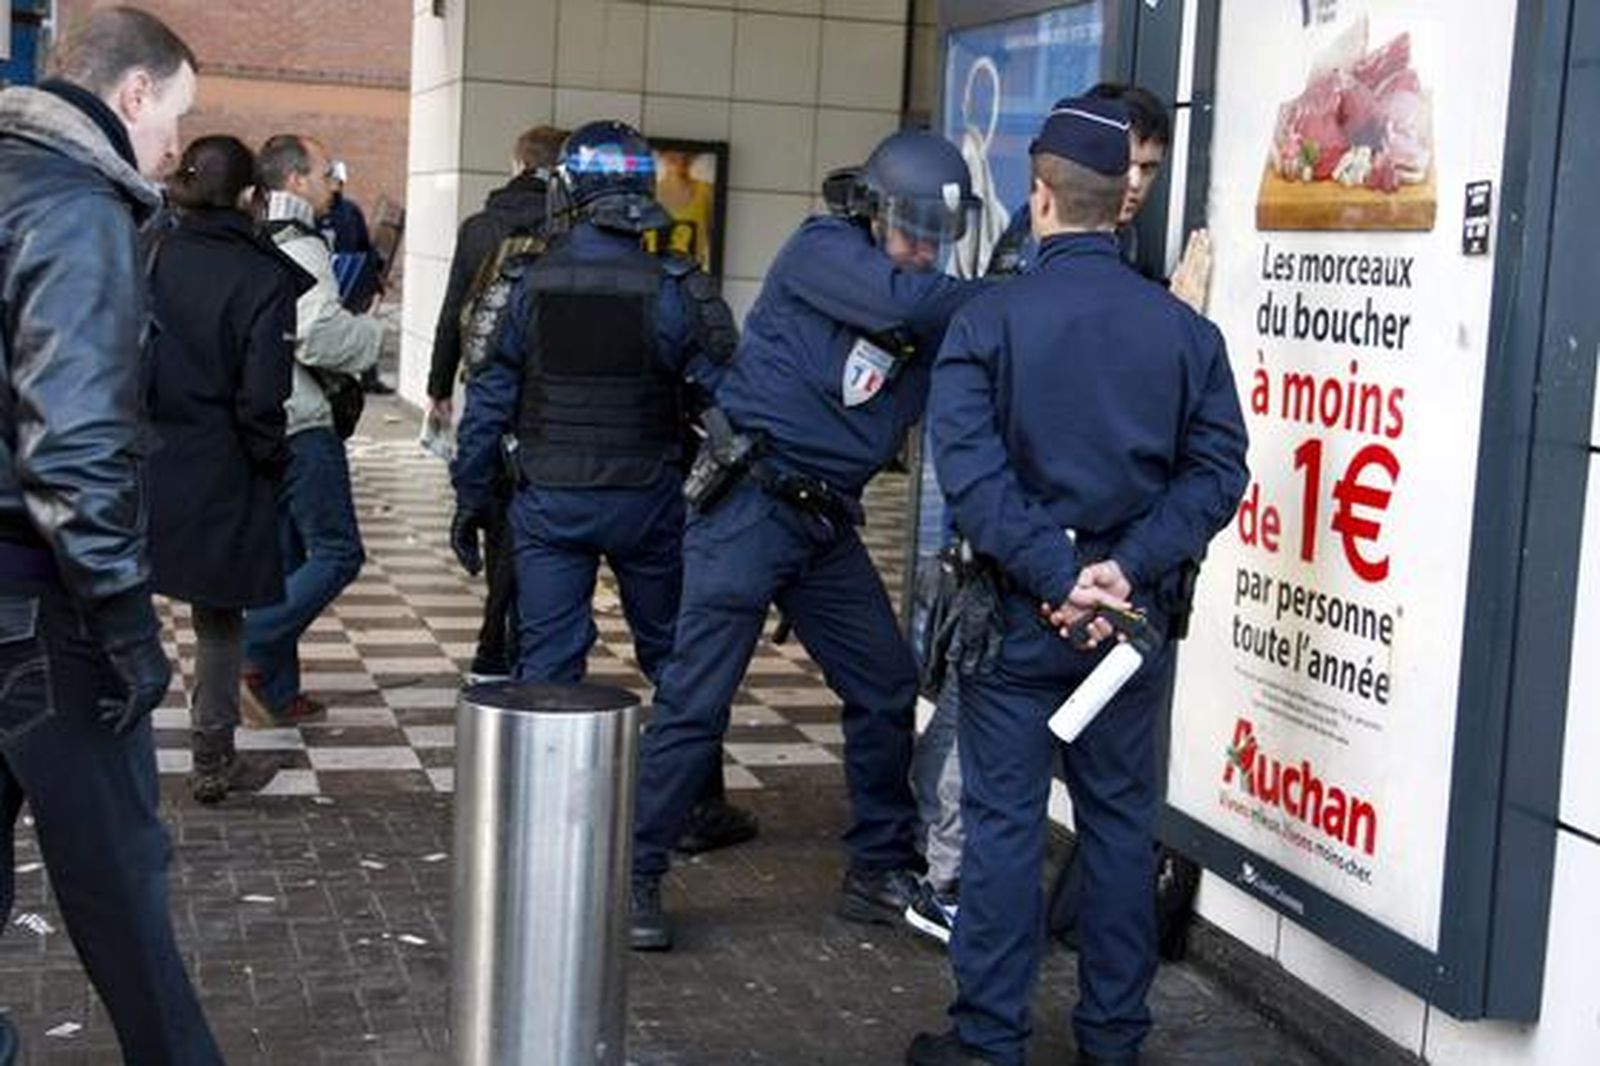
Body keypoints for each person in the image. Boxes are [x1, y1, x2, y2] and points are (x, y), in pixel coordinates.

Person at [905, 97, 1249, 1066]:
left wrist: (1059, 572)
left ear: (1042, 200)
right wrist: (1122, 570)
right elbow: (1217, 472)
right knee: (1115, 831)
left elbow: (968, 475)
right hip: (1127, 631)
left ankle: (988, 1041)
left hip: (1018, 620)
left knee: (1007, 832)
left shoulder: (989, 320)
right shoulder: (1186, 336)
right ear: (1120, 207)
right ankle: (1111, 1038)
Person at [627, 129, 984, 952]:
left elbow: (940, 326)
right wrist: (1012, 294)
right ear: (871, 211)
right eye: (912, 232)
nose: (925, 254)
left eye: (939, 241)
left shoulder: (925, 295)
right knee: (696, 700)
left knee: (887, 684)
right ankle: (636, 873)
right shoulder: (822, 248)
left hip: (824, 521)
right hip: (750, 504)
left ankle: (877, 868)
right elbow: (903, 304)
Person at [0, 7, 224, 1062]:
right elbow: (76, 443)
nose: (177, 146)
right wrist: (125, 620)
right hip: (39, 605)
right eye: (176, 116)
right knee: (122, 890)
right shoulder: (73, 205)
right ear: (133, 95)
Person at [450, 120, 757, 856]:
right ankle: (693, 811)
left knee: (550, 664)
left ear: (568, 190)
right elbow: (731, 408)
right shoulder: (682, 285)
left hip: (550, 503)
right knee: (675, 659)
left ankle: (547, 826)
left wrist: (471, 499)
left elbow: (485, 408)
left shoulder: (521, 283)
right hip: (651, 501)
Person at [146, 135, 314, 803]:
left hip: (142, 457)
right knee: (219, 618)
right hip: (222, 463)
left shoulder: (149, 250)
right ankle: (212, 760)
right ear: (250, 197)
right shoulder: (262, 275)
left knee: (117, 605)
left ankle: (100, 751)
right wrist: (273, 459)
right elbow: (261, 395)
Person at [242, 132, 382, 726]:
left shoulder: (252, 235)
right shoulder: (300, 246)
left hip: (265, 420)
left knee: (286, 556)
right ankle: (248, 648)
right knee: (337, 553)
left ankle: (273, 692)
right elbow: (317, 335)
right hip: (303, 422)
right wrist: (372, 335)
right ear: (295, 181)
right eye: (326, 172)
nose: (334, 182)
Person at [428, 124, 566, 682]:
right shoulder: (569, 228)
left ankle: (494, 647)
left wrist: (439, 386)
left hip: (487, 387)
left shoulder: (480, 227)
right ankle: (511, 643)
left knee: (495, 510)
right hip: (546, 399)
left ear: (517, 163)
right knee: (535, 522)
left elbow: (452, 309)